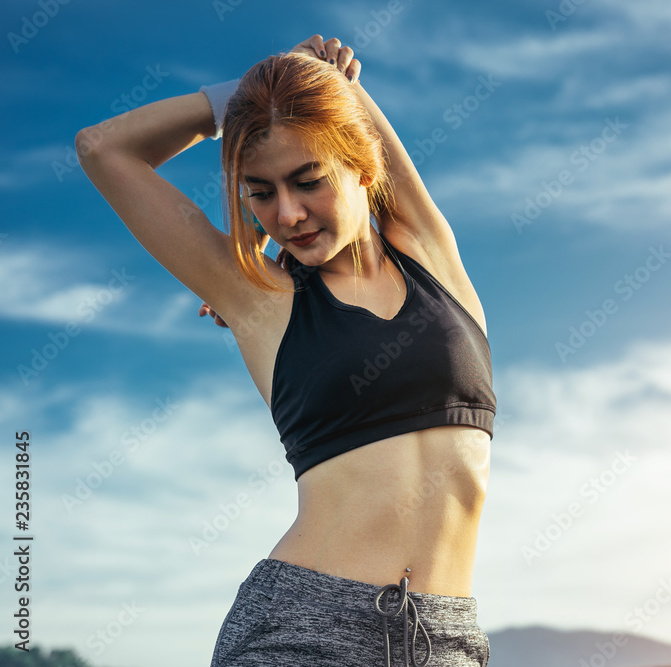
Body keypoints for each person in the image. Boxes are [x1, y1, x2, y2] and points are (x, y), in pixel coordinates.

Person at [76, 34, 496, 666]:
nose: (289, 213)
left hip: (447, 641)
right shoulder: (258, 298)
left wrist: (317, 77)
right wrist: (236, 99)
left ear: (361, 164)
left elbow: (346, 102)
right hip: (303, 628)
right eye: (261, 192)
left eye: (308, 181)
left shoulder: (432, 256)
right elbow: (103, 148)